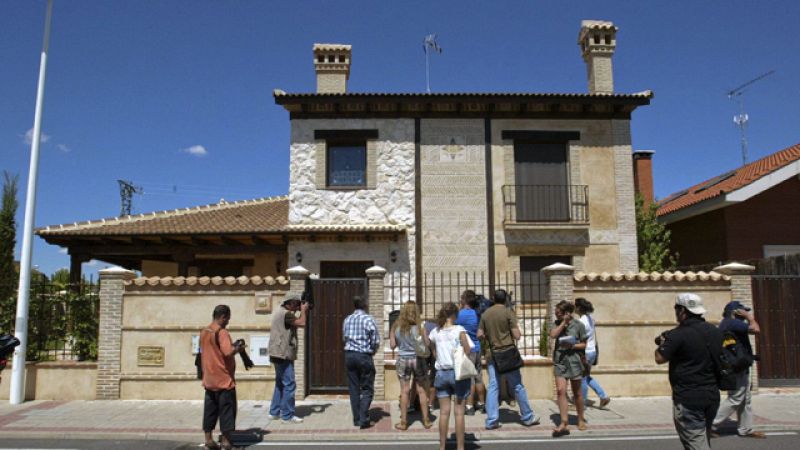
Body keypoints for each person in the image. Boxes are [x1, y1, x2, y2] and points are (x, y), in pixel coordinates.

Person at [655, 293, 722, 450]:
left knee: (696, 444)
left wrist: (663, 342)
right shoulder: (714, 331)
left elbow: (659, 358)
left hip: (688, 399)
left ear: (682, 311)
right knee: (701, 439)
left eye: (676, 309)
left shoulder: (677, 334)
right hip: (712, 395)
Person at [477, 289, 539, 430]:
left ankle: (492, 420)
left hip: (492, 354)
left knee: (493, 386)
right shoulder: (508, 312)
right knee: (517, 386)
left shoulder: (486, 314)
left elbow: (479, 334)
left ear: (493, 298)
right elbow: (517, 335)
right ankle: (527, 417)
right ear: (505, 299)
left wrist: (488, 337)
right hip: (508, 354)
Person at [711, 301, 765, 439]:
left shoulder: (728, 323)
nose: (744, 315)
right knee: (735, 398)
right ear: (735, 312)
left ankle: (745, 429)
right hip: (736, 367)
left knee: (745, 399)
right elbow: (756, 329)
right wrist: (750, 317)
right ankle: (710, 424)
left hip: (740, 365)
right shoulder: (731, 322)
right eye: (742, 312)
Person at [200, 304, 245, 450]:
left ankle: (208, 439)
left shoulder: (204, 331)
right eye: (228, 319)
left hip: (209, 379)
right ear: (223, 317)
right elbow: (227, 352)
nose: (228, 322)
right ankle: (226, 441)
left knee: (210, 410)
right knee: (227, 411)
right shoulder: (222, 332)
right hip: (223, 380)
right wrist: (238, 348)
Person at [429, 302, 473, 450]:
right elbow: (467, 349)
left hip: (441, 373)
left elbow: (433, 351)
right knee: (459, 412)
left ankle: (442, 446)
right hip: (457, 373)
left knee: (443, 412)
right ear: (454, 314)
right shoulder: (459, 330)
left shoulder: (436, 331)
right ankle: (460, 447)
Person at [389, 301, 433, 430]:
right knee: (421, 390)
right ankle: (426, 420)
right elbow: (427, 343)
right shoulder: (420, 327)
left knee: (404, 391)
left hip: (403, 359)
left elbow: (392, 346)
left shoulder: (396, 327)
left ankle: (403, 422)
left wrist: (393, 335)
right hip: (418, 359)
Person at [267, 297, 308, 424]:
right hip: (283, 354)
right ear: (289, 304)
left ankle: (274, 412)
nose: (297, 306)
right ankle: (287, 415)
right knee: (289, 384)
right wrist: (303, 310)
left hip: (276, 353)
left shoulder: (279, 311)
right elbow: (302, 323)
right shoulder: (286, 314)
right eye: (295, 304)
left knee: (280, 384)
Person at [550, 300, 588, 436]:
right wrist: (562, 323)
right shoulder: (556, 323)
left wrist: (572, 346)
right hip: (560, 362)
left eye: (559, 313)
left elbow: (584, 344)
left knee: (577, 393)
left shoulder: (579, 325)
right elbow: (553, 335)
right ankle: (564, 422)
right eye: (556, 313)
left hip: (574, 361)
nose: (556, 315)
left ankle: (580, 418)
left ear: (567, 313)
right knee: (561, 391)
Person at [343, 296, 381, 429]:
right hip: (364, 355)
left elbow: (344, 338)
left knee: (353, 388)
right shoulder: (369, 319)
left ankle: (356, 419)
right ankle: (364, 418)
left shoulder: (347, 319)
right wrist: (371, 351)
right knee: (367, 388)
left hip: (349, 355)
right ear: (365, 305)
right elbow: (375, 340)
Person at [575, 297, 611, 408]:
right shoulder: (590, 318)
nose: (574, 308)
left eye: (575, 306)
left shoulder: (581, 322)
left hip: (585, 352)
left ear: (579, 308)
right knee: (586, 376)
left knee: (582, 378)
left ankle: (583, 403)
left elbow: (578, 337)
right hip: (592, 351)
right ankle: (603, 396)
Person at [455, 290, 486, 415]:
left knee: (469, 379)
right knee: (479, 377)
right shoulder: (478, 314)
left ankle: (469, 406)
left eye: (461, 298)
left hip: (467, 350)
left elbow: (453, 328)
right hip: (478, 348)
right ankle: (482, 403)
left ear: (464, 300)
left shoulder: (460, 315)